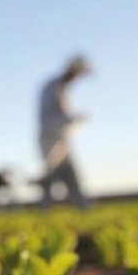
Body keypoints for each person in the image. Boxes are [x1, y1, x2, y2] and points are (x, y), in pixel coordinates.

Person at [36, 56, 91, 208]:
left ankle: (82, 205)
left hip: (61, 138)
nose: (78, 77)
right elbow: (53, 115)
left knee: (70, 173)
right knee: (52, 174)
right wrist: (75, 119)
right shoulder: (53, 87)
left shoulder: (63, 88)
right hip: (50, 137)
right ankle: (44, 209)